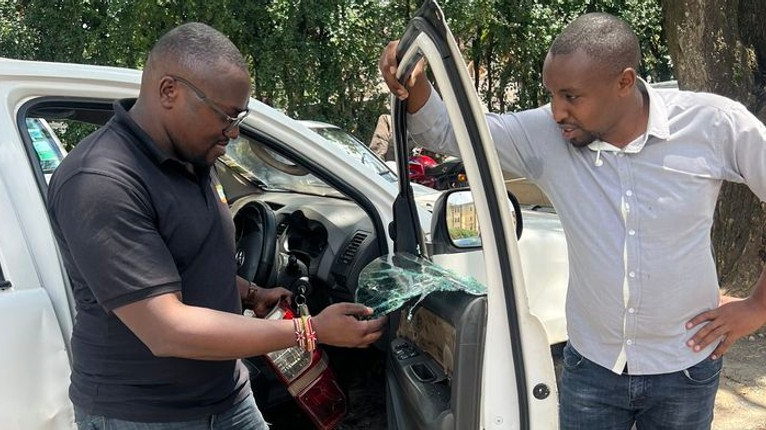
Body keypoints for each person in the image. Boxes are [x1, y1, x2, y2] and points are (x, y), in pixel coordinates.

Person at [379, 12, 766, 430]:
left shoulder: (712, 124)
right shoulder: (547, 135)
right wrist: (414, 83)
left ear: (624, 81)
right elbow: (449, 135)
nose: (557, 111)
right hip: (592, 369)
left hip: (685, 367)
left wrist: (758, 306)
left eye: (571, 96)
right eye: (551, 95)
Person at [47, 22, 385, 430]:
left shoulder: (192, 155)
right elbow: (167, 330)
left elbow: (189, 256)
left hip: (226, 394)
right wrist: (310, 331)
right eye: (225, 115)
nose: (234, 130)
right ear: (169, 91)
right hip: (145, 416)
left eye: (239, 115)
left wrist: (251, 292)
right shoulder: (101, 180)